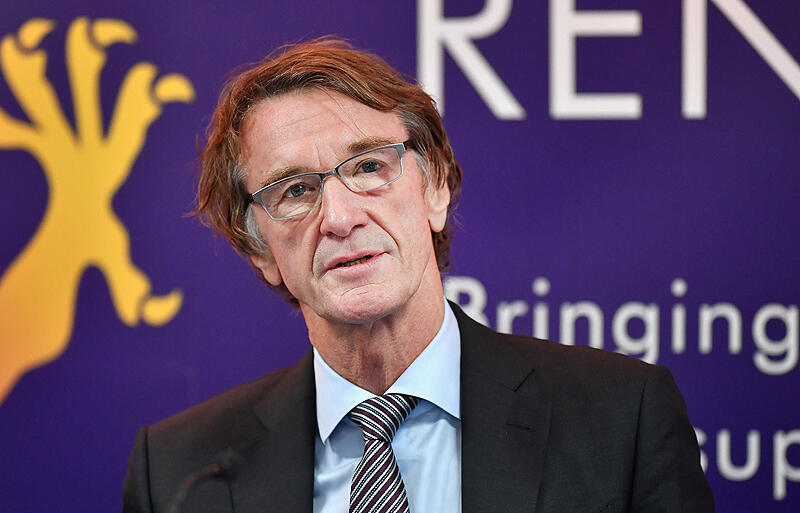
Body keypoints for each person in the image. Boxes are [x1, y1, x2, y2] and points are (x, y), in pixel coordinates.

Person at [122, 37, 714, 513]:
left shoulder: (621, 420)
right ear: (260, 250)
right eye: (295, 190)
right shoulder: (178, 474)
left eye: (368, 166)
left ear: (436, 188)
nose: (340, 218)